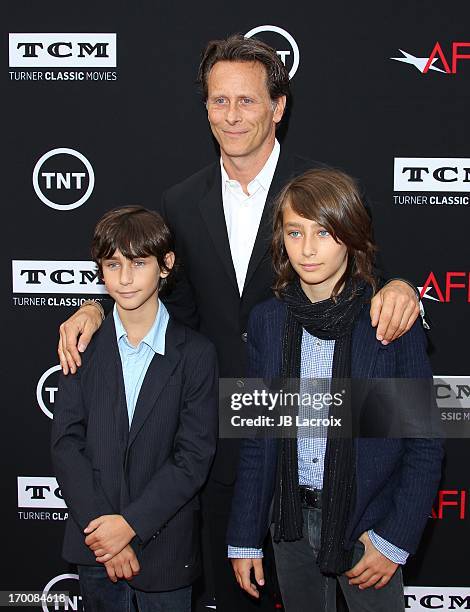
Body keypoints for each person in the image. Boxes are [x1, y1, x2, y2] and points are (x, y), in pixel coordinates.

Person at [56, 36, 420, 611]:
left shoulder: (322, 189)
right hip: (226, 447)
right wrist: (98, 308)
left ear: (278, 107)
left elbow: (374, 279)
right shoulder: (180, 199)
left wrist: (404, 289)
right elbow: (165, 303)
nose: (231, 115)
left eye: (247, 101)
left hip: (327, 450)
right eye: (218, 100)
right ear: (204, 107)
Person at [227, 168, 443, 611]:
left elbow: (424, 443)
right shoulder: (267, 322)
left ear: (350, 235)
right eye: (294, 232)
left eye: (324, 232)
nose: (307, 249)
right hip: (288, 521)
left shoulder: (388, 321)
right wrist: (245, 537)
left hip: (368, 524)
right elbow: (256, 438)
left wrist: (393, 539)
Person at [51, 206, 218, 612]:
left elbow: (193, 457)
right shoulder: (83, 347)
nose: (124, 278)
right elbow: (66, 445)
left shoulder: (196, 354)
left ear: (166, 265)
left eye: (138, 263)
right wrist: (106, 536)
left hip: (164, 551)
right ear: (100, 270)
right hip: (94, 547)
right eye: (113, 264)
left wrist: (129, 526)